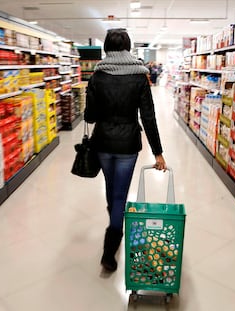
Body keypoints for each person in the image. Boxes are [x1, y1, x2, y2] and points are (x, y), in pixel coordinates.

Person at [84, 28, 166, 272]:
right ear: (128, 47)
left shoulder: (97, 76)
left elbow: (89, 116)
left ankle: (112, 232)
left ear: (106, 47)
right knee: (119, 194)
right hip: (128, 143)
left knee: (112, 190)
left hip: (103, 142)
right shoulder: (140, 75)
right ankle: (111, 243)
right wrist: (157, 152)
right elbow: (148, 117)